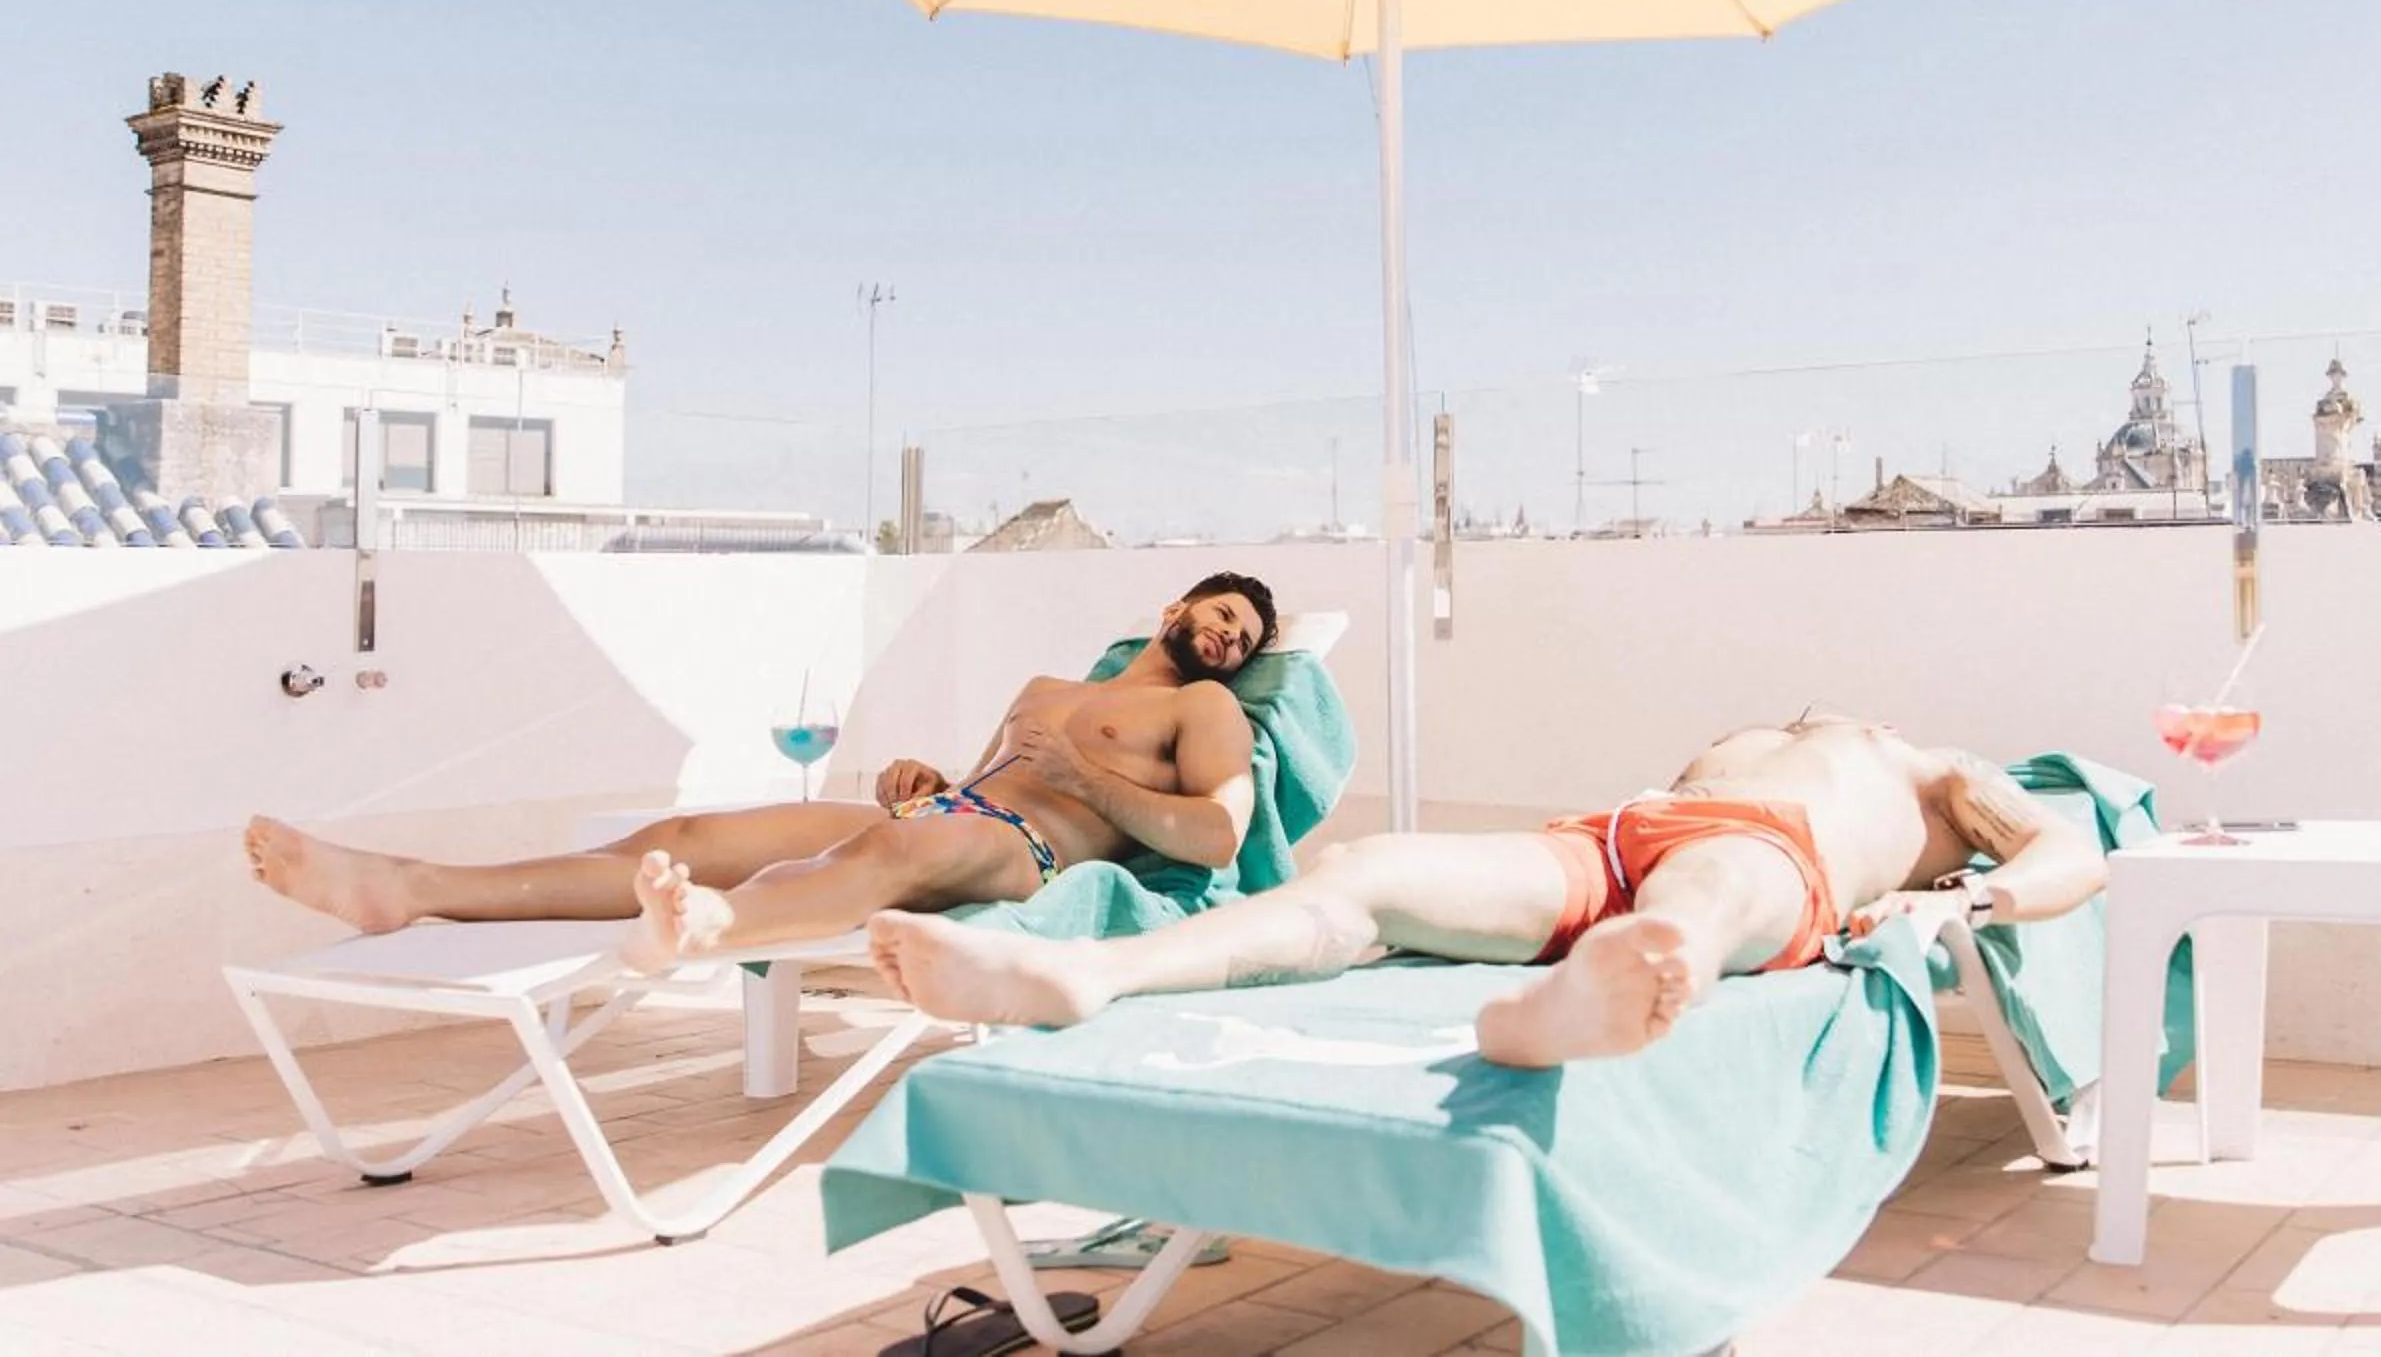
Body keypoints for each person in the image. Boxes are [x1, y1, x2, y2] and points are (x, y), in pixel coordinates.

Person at [865, 710, 2104, 1068]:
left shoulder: (1939, 770)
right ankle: (1087, 971)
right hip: (1606, 834)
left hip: (1780, 850)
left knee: (1706, 900)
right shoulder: (1763, 732)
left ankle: (1580, 1013)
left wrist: (1962, 907)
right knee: (1366, 870)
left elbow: (2074, 855)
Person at [243, 573, 1280, 972]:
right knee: (690, 839)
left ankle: (714, 927)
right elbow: (977, 784)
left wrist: (1088, 786)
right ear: (1172, 609)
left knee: (889, 850)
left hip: (1035, 854)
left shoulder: (1205, 709)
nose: (1232, 639)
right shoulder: (1049, 683)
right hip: (958, 820)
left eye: (1247, 636)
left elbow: (1217, 837)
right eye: (1224, 615)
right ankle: (409, 887)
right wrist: (915, 781)